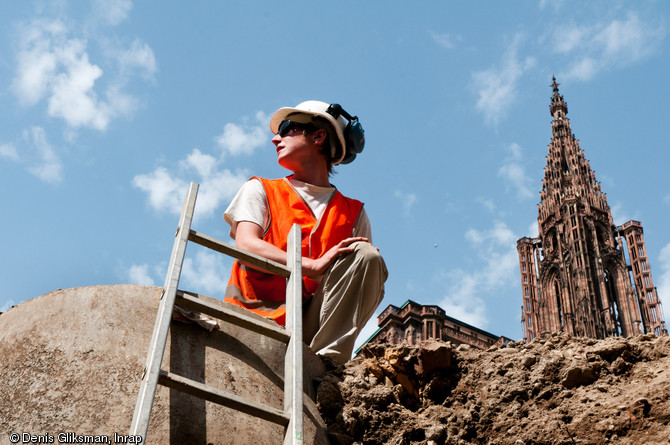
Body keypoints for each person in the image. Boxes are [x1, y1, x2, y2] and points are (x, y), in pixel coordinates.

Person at [223, 100, 387, 363]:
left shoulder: (354, 213)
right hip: (252, 319)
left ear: (319, 136)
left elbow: (355, 283)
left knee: (367, 256)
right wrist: (310, 266)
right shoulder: (261, 189)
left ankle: (326, 366)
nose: (276, 138)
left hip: (309, 333)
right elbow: (245, 245)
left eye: (287, 128)